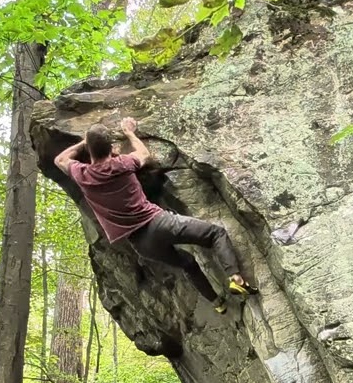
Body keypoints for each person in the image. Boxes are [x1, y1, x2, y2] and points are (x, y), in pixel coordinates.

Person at [52, 116, 257, 314]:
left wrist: (84, 143)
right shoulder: (122, 164)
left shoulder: (82, 174)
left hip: (142, 244)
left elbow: (60, 158)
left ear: (89, 151)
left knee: (187, 263)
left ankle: (217, 303)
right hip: (158, 223)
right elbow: (144, 154)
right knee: (215, 234)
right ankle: (236, 279)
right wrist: (129, 133)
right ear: (110, 148)